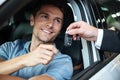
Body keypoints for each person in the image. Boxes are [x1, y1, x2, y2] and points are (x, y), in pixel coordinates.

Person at [0, 0, 73, 80]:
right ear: (32, 20)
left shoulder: (63, 62)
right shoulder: (10, 47)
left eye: (57, 20)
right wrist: (26, 59)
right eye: (45, 16)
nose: (50, 24)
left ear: (60, 30)